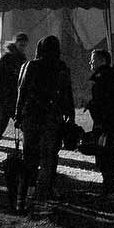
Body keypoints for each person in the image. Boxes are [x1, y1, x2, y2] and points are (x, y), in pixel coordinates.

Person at [15, 35, 75, 212]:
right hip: (51, 118)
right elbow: (66, 93)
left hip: (32, 116)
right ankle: (41, 200)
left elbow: (22, 90)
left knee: (29, 159)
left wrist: (18, 114)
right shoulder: (61, 67)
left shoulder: (30, 66)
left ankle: (22, 199)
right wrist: (70, 115)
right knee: (47, 160)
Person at [0, 32, 29, 167]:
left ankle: (25, 159)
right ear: (16, 44)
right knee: (0, 128)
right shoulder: (8, 59)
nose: (22, 47)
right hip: (6, 100)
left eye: (24, 45)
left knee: (23, 127)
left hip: (14, 100)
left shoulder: (22, 59)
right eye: (21, 45)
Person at [86, 45, 114, 200]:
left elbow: (104, 105)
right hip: (111, 124)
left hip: (108, 125)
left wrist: (100, 124)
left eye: (93, 60)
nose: (90, 64)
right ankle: (108, 189)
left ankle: (110, 191)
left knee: (105, 156)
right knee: (104, 156)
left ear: (102, 61)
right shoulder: (106, 78)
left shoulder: (102, 80)